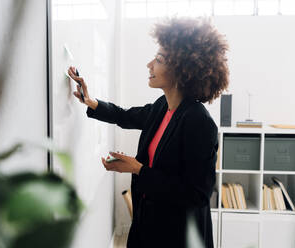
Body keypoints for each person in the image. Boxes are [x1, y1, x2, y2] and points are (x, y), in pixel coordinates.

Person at [68, 16, 229, 248]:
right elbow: (124, 116)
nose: (149, 65)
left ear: (181, 70)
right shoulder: (162, 107)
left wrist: (137, 169)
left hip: (177, 236)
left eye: (159, 59)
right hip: (148, 226)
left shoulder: (199, 123)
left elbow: (196, 195)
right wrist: (90, 101)